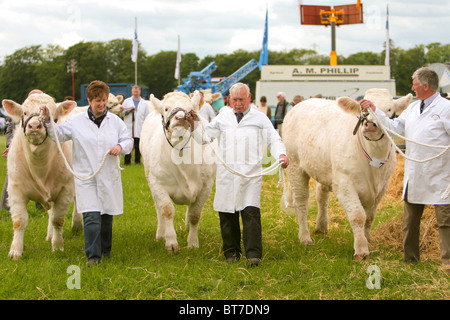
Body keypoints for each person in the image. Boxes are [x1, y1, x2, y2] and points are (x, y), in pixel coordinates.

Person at [188, 83, 289, 266]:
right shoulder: (223, 117)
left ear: (249, 98)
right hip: (227, 174)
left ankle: (253, 254)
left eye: (242, 99)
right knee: (227, 215)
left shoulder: (259, 118)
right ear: (229, 99)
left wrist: (281, 154)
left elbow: (273, 139)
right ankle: (231, 253)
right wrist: (194, 123)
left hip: (250, 175)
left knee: (250, 213)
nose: (238, 103)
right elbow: (204, 137)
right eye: (234, 99)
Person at [360, 67, 450, 269]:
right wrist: (375, 112)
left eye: (415, 84)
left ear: (425, 86)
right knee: (409, 221)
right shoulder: (412, 108)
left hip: (441, 173)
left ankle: (448, 262)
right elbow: (395, 127)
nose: (412, 88)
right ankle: (410, 259)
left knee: (445, 221)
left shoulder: (446, 108)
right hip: (416, 172)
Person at [41, 80, 133, 265]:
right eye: (98, 100)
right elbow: (58, 135)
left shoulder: (115, 121)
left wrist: (119, 146)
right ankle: (93, 256)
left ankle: (105, 251)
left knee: (106, 215)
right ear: (89, 101)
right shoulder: (76, 122)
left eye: (104, 100)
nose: (102, 104)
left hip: (108, 174)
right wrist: (47, 121)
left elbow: (128, 140)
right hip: (86, 176)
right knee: (91, 216)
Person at [122, 85, 149, 165]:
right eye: (134, 91)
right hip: (129, 126)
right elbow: (122, 113)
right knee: (128, 145)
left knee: (138, 145)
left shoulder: (144, 103)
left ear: (139, 92)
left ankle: (137, 161)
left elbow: (146, 116)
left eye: (137, 92)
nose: (135, 93)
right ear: (132, 92)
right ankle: (127, 162)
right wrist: (129, 111)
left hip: (139, 127)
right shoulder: (126, 101)